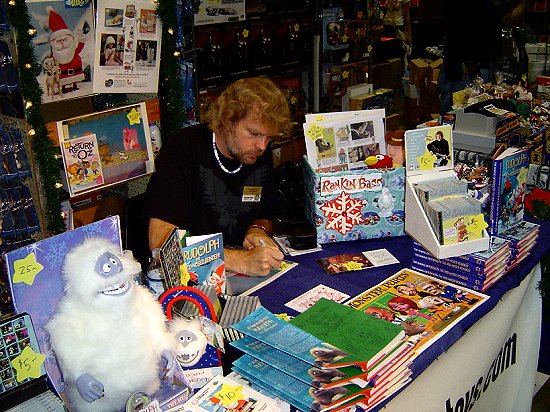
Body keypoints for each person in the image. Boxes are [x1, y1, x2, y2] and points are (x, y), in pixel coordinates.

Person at [144, 77, 290, 290]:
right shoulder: (183, 149)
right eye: (254, 134)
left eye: (268, 138)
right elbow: (160, 242)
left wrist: (257, 230)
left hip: (238, 282)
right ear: (227, 121)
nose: (261, 146)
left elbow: (265, 213)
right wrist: (239, 260)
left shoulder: (257, 153)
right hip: (190, 284)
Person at [381, 0, 412, 70]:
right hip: (387, 27)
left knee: (399, 54)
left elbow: (407, 16)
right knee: (387, 56)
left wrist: (409, 34)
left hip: (398, 27)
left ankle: (400, 75)